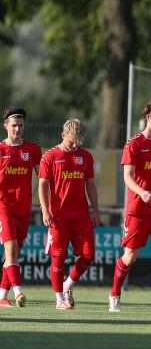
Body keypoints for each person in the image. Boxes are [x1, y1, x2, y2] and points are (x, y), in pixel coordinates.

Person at [109, 98, 151, 315]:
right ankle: (114, 295)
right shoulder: (134, 144)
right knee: (130, 257)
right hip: (138, 209)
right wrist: (142, 192)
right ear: (148, 117)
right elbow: (127, 177)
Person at [38, 119, 99, 310]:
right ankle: (59, 299)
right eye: (71, 141)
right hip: (58, 218)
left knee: (89, 255)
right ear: (63, 135)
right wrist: (45, 209)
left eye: (78, 142)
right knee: (58, 257)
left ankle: (67, 284)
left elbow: (90, 184)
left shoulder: (86, 157)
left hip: (81, 217)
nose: (74, 145)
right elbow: (42, 184)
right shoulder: (50, 157)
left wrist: (95, 209)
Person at [0, 107, 41, 308]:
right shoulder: (0, 150)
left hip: (23, 209)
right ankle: (18, 292)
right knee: (10, 250)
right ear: (5, 125)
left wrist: (46, 203)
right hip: (3, 206)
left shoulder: (32, 149)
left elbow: (43, 178)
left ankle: (1, 296)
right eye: (14, 125)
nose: (17, 129)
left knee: (14, 254)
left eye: (21, 125)